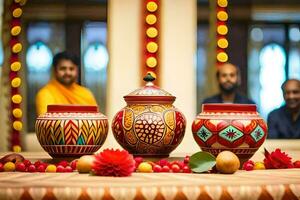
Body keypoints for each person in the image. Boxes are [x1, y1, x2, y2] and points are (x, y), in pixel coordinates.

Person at [36, 51, 97, 116]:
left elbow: (97, 121)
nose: (67, 72)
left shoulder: (86, 94)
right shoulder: (45, 94)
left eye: (71, 69)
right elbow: (47, 123)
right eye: (63, 69)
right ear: (55, 70)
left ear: (77, 71)